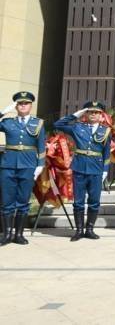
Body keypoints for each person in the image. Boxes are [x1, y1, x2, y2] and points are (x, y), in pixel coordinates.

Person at [54, 101, 111, 241]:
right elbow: (58, 124)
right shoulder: (77, 127)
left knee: (94, 201)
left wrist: (105, 170)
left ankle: (89, 230)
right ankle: (79, 230)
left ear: (101, 115)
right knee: (78, 201)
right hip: (79, 168)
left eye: (96, 112)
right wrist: (76, 115)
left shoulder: (106, 131)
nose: (93, 114)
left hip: (96, 169)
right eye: (90, 112)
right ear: (86, 113)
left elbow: (106, 153)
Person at [0, 92, 46, 246]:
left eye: (26, 103)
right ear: (16, 106)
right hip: (8, 165)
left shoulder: (38, 123)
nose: (23, 106)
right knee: (7, 201)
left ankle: (19, 235)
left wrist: (40, 165)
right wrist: (4, 111)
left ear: (31, 105)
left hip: (28, 166)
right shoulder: (7, 122)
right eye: (20, 103)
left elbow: (41, 146)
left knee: (23, 201)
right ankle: (7, 235)